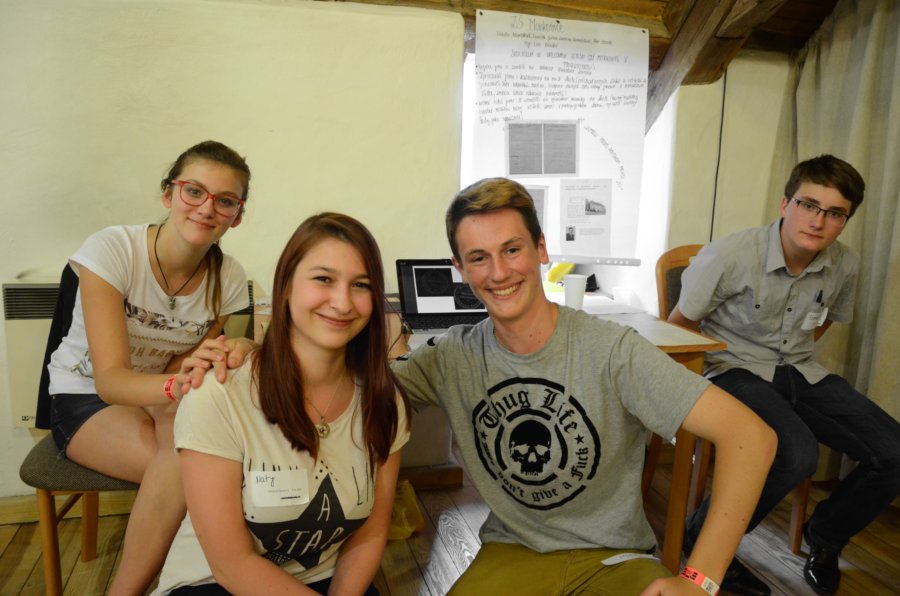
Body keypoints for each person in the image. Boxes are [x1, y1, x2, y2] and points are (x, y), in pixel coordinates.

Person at [391, 178, 776, 595]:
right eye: (479, 258)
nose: (499, 272)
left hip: (613, 556)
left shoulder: (612, 350)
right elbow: (359, 399)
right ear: (460, 269)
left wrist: (699, 581)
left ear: (541, 248)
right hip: (512, 550)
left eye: (512, 249)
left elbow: (751, 438)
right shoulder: (452, 356)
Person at [668, 154, 900, 596]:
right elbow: (678, 327)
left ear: (845, 221)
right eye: (808, 205)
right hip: (732, 368)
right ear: (785, 204)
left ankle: (825, 537)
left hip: (799, 369)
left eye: (834, 213)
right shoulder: (730, 255)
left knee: (893, 453)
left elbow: (821, 324)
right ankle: (702, 540)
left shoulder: (845, 264)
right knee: (795, 454)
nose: (818, 221)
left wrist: (793, 355)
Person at [154, 213, 411, 595]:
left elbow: (371, 532)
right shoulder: (219, 395)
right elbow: (231, 565)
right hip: (216, 585)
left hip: (326, 581)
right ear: (286, 285)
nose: (342, 303)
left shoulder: (383, 400)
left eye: (361, 285)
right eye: (323, 279)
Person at [47, 140, 252, 594]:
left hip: (160, 395)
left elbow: (186, 363)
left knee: (211, 457)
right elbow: (111, 381)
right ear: (168, 194)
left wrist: (228, 354)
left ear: (237, 215)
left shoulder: (230, 278)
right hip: (86, 396)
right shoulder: (113, 250)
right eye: (193, 191)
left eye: (225, 201)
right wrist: (178, 387)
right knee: (195, 469)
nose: (206, 208)